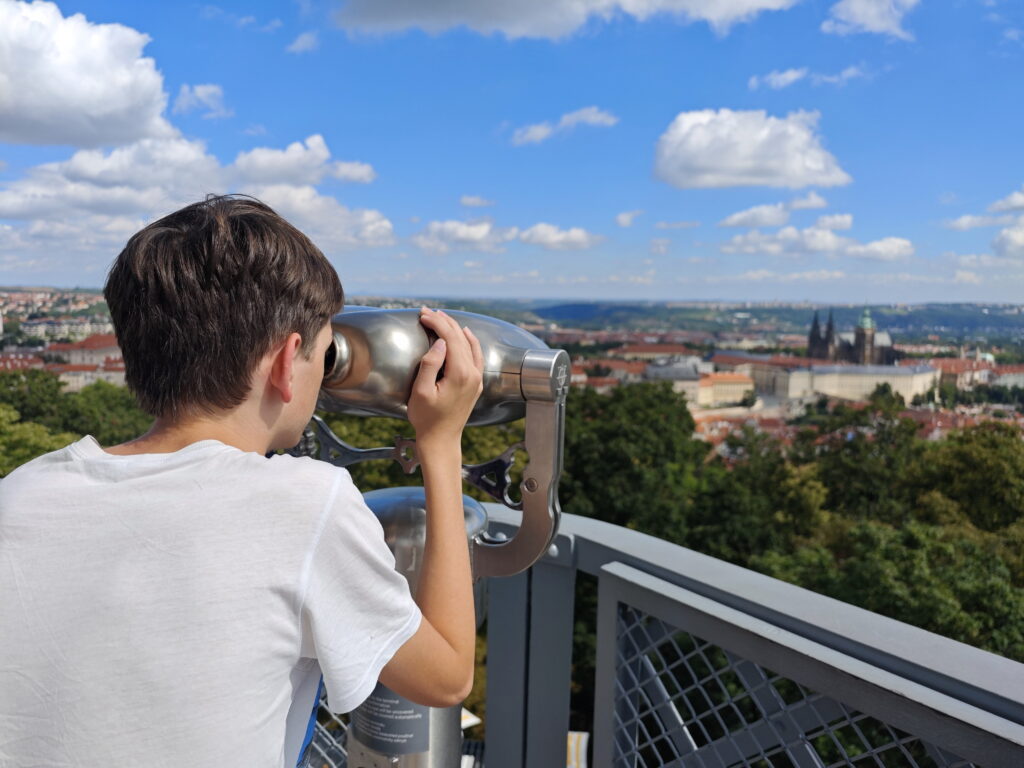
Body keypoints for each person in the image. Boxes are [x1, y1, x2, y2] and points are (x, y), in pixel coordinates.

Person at [0, 195, 483, 767]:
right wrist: (440, 441)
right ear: (286, 361)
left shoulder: (21, 493)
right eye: (324, 359)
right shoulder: (304, 505)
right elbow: (448, 676)